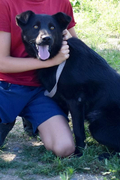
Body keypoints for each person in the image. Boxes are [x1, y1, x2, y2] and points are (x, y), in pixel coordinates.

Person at [0, 0, 77, 157]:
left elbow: (75, 45)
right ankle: (7, 119)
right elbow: (1, 63)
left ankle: (31, 118)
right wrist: (50, 61)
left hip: (42, 90)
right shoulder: (5, 4)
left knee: (64, 148)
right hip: (6, 88)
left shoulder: (62, 3)